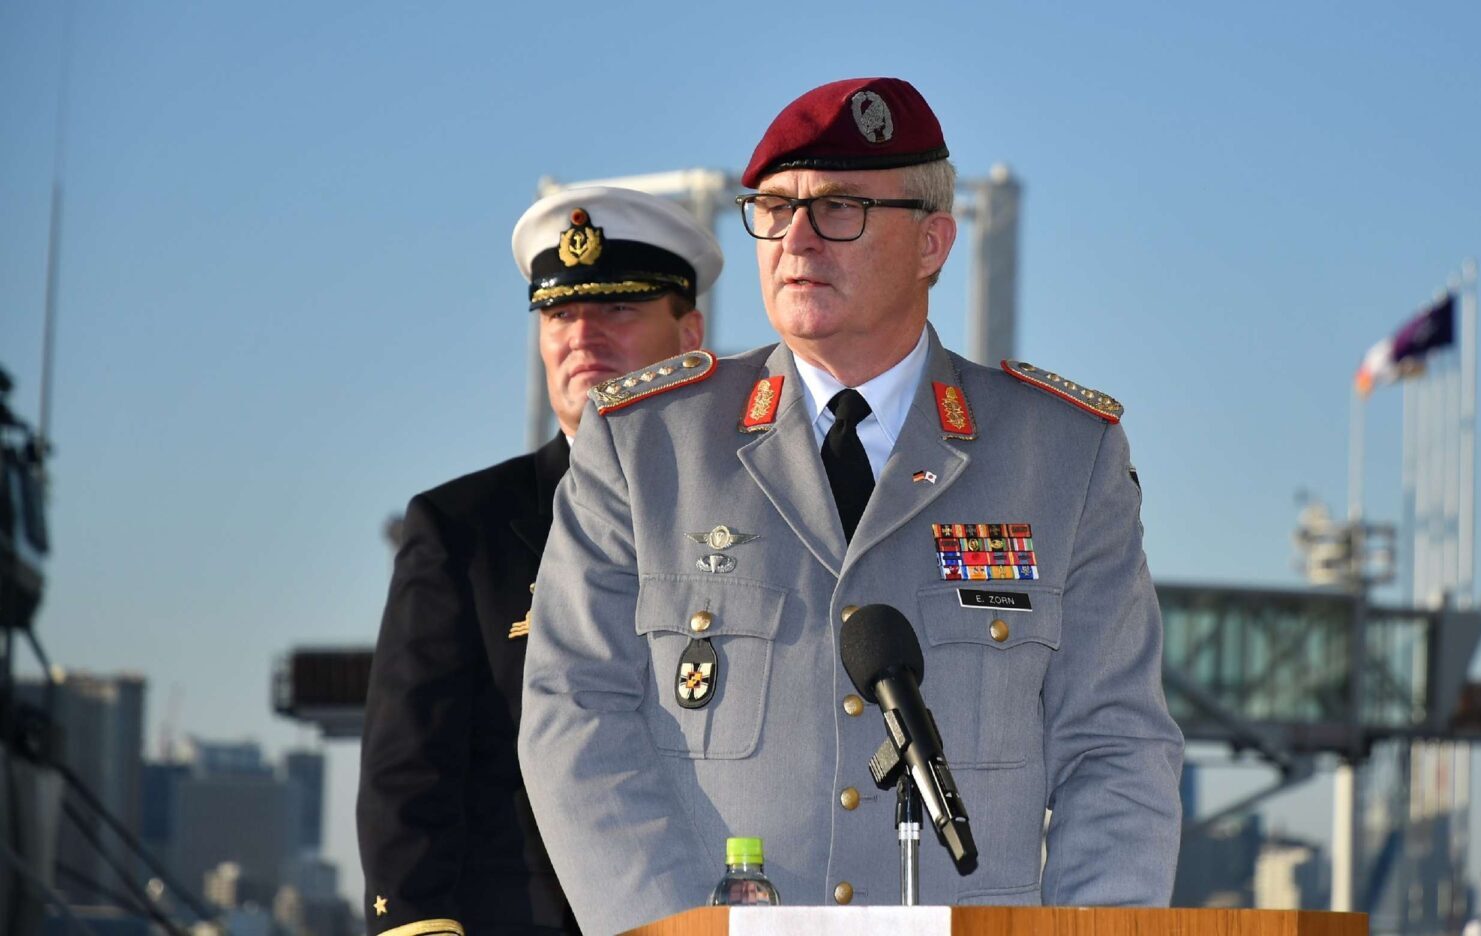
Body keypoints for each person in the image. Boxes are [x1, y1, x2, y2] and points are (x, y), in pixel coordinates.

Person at [519, 77, 1184, 933]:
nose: (795, 238)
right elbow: (574, 718)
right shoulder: (646, 445)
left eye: (837, 208)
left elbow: (1118, 749)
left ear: (933, 242)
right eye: (771, 207)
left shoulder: (1061, 457)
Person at [358, 186, 718, 936]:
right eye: (559, 314)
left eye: (617, 309)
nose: (582, 335)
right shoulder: (462, 531)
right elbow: (409, 776)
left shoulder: (755, 518)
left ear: (690, 336)